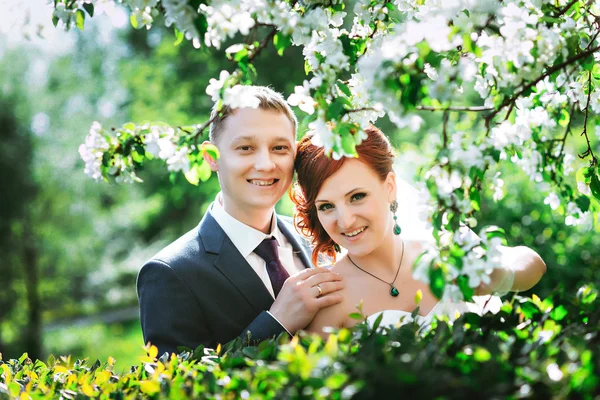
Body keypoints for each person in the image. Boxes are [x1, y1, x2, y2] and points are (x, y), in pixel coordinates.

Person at [137, 86, 344, 356]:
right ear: (212, 157)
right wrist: (277, 322)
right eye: (245, 148)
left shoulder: (318, 236)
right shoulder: (169, 274)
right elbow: (181, 388)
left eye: (279, 148)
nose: (266, 164)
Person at [291, 125, 547, 333]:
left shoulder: (441, 253)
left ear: (389, 187)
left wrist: (495, 277)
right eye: (326, 206)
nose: (345, 221)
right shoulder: (330, 302)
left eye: (357, 197)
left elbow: (532, 262)